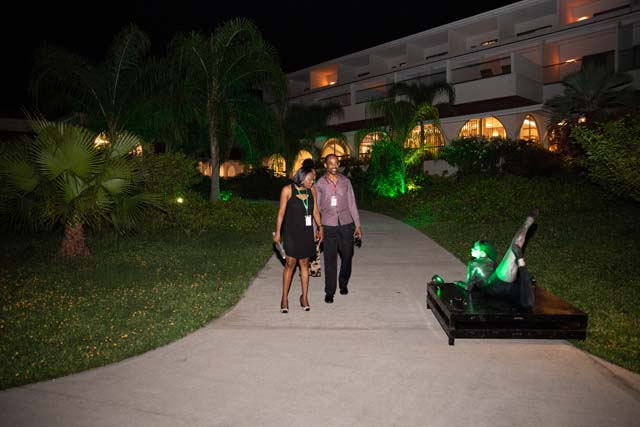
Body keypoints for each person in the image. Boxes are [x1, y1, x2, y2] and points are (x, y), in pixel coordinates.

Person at [441, 209, 539, 310]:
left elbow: (468, 287)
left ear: (482, 253)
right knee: (513, 252)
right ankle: (527, 224)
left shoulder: (473, 264)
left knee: (512, 254)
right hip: (506, 285)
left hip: (492, 288)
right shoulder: (491, 261)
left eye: (475, 248)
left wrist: (459, 283)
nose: (472, 249)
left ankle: (519, 257)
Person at [273, 161, 323, 313]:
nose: (312, 182)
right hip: (291, 233)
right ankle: (284, 298)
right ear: (302, 178)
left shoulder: (311, 190)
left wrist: (320, 227)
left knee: (304, 263)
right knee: (290, 263)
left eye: (313, 179)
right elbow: (281, 214)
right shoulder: (287, 190)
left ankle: (304, 297)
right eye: (310, 179)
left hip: (306, 232)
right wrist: (278, 232)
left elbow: (315, 211)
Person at [315, 154, 362, 303]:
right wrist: (317, 228)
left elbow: (352, 203)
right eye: (330, 163)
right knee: (330, 259)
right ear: (325, 165)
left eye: (336, 163)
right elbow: (316, 208)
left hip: (346, 224)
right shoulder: (320, 184)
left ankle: (343, 282)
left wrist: (358, 225)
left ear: (338, 164)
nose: (334, 166)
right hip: (328, 225)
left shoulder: (346, 182)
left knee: (348, 255)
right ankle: (330, 291)